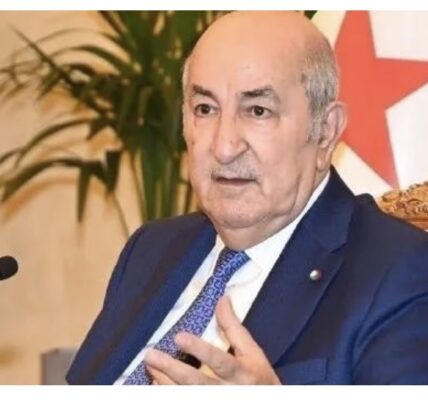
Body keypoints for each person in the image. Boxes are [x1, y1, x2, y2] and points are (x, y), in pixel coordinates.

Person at [66, 11, 428, 385]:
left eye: (257, 111)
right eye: (205, 109)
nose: (224, 147)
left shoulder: (402, 271)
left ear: (325, 132)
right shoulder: (150, 249)